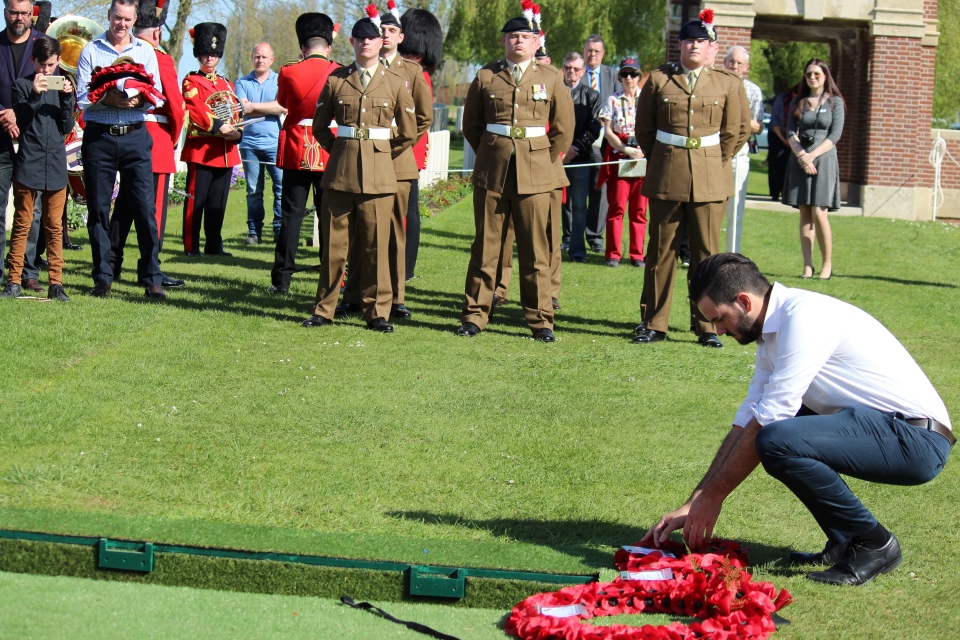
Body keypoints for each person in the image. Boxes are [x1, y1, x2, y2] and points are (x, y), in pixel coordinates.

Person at [643, 253, 953, 586]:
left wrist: (713, 498)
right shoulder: (771, 333)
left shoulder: (803, 317)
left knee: (776, 439)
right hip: (889, 428)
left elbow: (769, 422)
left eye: (719, 319)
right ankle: (844, 540)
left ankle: (875, 544)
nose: (718, 330)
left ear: (744, 301)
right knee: (771, 433)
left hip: (916, 441)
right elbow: (749, 417)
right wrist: (696, 500)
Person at [632, 9, 748, 348]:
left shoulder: (729, 83)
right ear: (678, 46)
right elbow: (645, 130)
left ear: (712, 49)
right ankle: (654, 322)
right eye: (688, 41)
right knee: (661, 251)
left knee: (708, 256)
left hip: (710, 177)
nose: (694, 46)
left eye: (701, 41)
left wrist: (713, 160)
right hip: (668, 173)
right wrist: (665, 159)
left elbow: (737, 131)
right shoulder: (658, 80)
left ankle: (708, 325)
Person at [456, 12, 573, 342]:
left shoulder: (551, 78)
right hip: (493, 172)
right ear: (503, 41)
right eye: (512, 36)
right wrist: (492, 153)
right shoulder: (485, 77)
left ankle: (540, 320)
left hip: (536, 174)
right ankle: (475, 314)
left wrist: (541, 161)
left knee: (535, 249)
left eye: (525, 36)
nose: (518, 40)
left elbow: (563, 130)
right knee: (486, 246)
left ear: (537, 41)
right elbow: (472, 126)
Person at [300, 9, 416, 332]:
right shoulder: (337, 80)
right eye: (360, 38)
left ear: (381, 42)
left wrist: (380, 154)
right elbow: (321, 128)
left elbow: (408, 132)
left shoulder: (394, 83)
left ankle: (377, 312)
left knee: (375, 245)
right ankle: (325, 308)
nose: (365, 43)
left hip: (379, 176)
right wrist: (341, 150)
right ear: (351, 42)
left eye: (371, 38)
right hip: (340, 173)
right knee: (334, 246)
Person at [338, 1, 433, 321]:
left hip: (396, 162)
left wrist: (390, 145)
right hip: (361, 164)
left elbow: (422, 119)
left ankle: (395, 298)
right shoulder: (358, 69)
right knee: (357, 232)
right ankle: (353, 294)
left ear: (400, 37)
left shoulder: (413, 72)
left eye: (391, 30)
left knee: (393, 232)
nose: (386, 35)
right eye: (381, 31)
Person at [77, 0, 165, 299]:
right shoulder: (91, 50)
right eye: (117, 18)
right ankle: (102, 276)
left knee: (144, 208)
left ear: (135, 19)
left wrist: (138, 99)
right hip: (99, 138)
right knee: (99, 210)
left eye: (127, 20)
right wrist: (109, 99)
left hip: (135, 137)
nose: (121, 25)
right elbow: (81, 97)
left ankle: (152, 276)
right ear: (109, 16)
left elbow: (158, 96)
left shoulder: (146, 51)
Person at [109, 0, 186, 289]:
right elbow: (176, 108)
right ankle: (149, 269)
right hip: (155, 142)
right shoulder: (159, 57)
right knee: (152, 211)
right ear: (156, 32)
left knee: (125, 206)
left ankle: (110, 263)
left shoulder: (122, 53)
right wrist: (174, 137)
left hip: (125, 136)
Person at [268, 13, 339, 296]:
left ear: (303, 47)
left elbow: (282, 102)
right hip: (329, 150)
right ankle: (333, 279)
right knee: (330, 217)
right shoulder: (341, 70)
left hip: (298, 149)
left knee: (291, 216)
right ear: (329, 46)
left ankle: (282, 280)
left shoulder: (288, 71)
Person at [1, 35, 72, 301]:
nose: (46, 71)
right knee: (22, 223)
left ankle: (56, 283)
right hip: (28, 161)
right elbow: (21, 120)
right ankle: (13, 281)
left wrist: (66, 99)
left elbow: (66, 127)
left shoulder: (64, 86)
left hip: (55, 163)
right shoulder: (20, 85)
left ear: (58, 62)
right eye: (42, 65)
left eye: (51, 65)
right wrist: (34, 92)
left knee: (54, 227)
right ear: (33, 60)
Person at [180, 22, 242, 258]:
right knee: (196, 201)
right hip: (202, 148)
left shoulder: (226, 83)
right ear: (198, 55)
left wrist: (237, 133)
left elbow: (235, 111)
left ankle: (214, 244)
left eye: (214, 55)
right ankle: (191, 246)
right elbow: (195, 108)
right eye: (205, 54)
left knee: (218, 202)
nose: (209, 58)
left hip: (224, 150)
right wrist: (219, 126)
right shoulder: (191, 81)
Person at [0, 0, 47, 294]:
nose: (20, 18)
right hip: (0, 138)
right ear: (5, 12)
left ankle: (27, 271)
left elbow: (55, 85)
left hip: (33, 138)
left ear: (33, 14)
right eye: (14, 12)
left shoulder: (45, 44)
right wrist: (3, 114)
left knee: (33, 210)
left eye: (25, 13)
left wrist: (20, 112)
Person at [782, 58, 843, 280]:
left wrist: (813, 156)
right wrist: (802, 157)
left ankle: (827, 265)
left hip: (824, 159)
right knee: (805, 214)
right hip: (800, 160)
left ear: (825, 76)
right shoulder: (799, 102)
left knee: (819, 212)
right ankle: (808, 266)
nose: (813, 78)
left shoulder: (835, 103)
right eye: (809, 74)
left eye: (817, 73)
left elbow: (835, 135)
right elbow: (790, 132)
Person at [396, 7, 442, 281]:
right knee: (408, 209)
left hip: (405, 144)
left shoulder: (413, 73)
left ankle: (406, 267)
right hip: (410, 144)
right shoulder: (416, 70)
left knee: (409, 208)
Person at [597, 57, 647, 269]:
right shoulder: (613, 100)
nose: (629, 78)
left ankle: (637, 254)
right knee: (617, 208)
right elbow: (608, 131)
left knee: (639, 210)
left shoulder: (647, 99)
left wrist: (644, 149)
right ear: (620, 77)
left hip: (642, 159)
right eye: (625, 74)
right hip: (620, 157)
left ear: (639, 76)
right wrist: (625, 148)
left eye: (633, 74)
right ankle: (613, 254)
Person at [236, 41, 285, 245]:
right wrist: (270, 107)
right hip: (249, 144)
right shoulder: (241, 83)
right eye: (257, 56)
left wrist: (253, 106)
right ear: (251, 57)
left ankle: (279, 230)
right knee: (253, 189)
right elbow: (241, 108)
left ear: (272, 59)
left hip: (275, 142)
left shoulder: (280, 80)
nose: (260, 60)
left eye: (264, 57)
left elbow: (282, 106)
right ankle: (254, 232)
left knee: (281, 188)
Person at [578, 34, 620, 253]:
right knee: (576, 188)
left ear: (603, 54)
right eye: (588, 50)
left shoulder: (612, 75)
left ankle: (595, 236)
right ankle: (572, 234)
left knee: (600, 188)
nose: (592, 54)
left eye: (596, 51)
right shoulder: (576, 72)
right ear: (583, 51)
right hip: (580, 138)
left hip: (606, 140)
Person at [560, 51, 601, 263]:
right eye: (568, 68)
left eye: (576, 69)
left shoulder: (591, 96)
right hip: (555, 158)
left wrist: (574, 147)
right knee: (552, 205)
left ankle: (576, 251)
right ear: (563, 69)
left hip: (581, 157)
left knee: (578, 206)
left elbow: (595, 126)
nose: (571, 72)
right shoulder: (552, 92)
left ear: (583, 72)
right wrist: (561, 151)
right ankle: (550, 247)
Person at [722, 46, 762, 254]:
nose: (734, 66)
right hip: (715, 154)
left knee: (735, 210)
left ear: (746, 67)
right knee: (710, 209)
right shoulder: (715, 85)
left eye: (739, 63)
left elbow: (758, 125)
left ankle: (731, 256)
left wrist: (736, 120)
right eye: (731, 61)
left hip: (739, 154)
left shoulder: (753, 91)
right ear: (724, 61)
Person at [766, 83, 799, 202]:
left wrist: (792, 138)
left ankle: (787, 193)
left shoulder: (803, 101)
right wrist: (784, 139)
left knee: (788, 164)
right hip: (776, 134)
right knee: (776, 163)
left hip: (794, 136)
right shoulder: (781, 98)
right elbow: (774, 120)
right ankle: (774, 193)